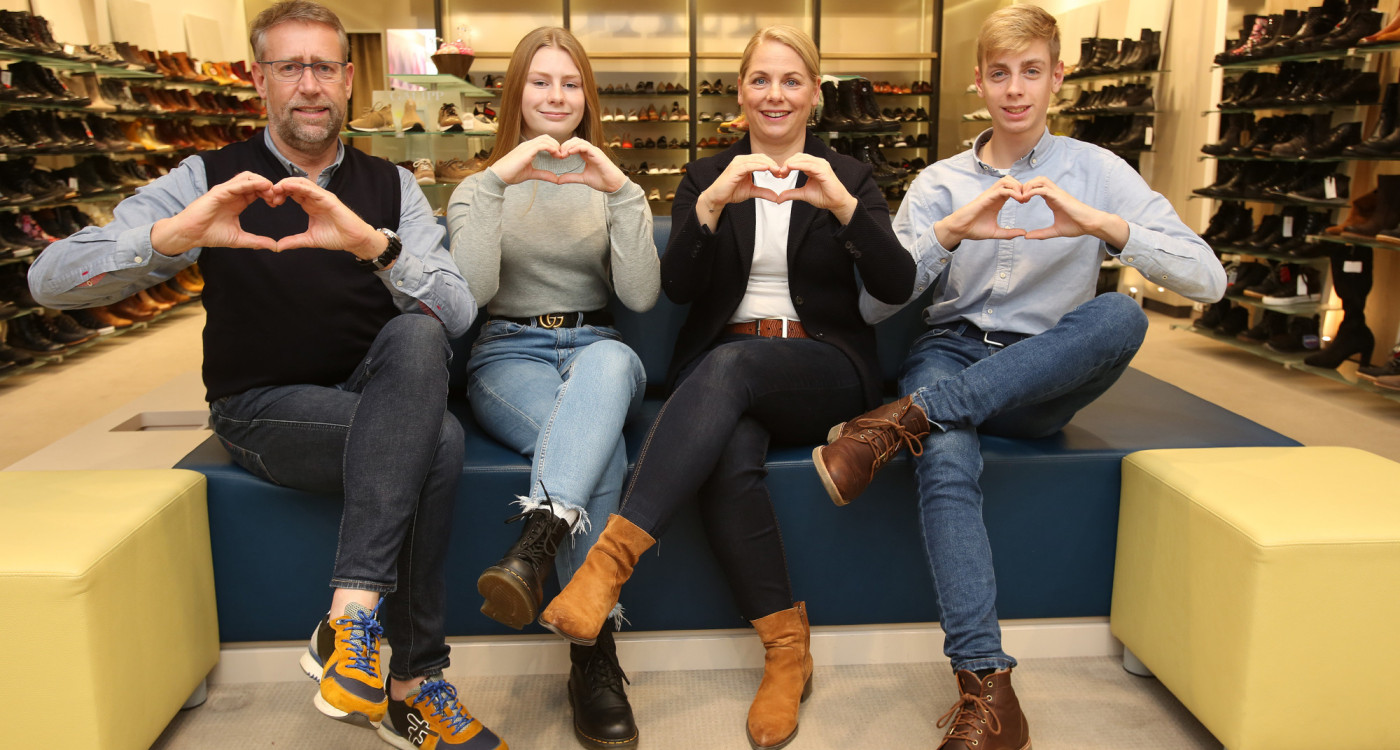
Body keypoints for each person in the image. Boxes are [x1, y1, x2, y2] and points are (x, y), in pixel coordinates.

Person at [26, 2, 506, 748]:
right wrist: (171, 236)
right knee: (436, 441)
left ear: (347, 79)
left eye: (324, 67)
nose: (309, 85)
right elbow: (48, 281)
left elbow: (456, 311)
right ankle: (413, 686)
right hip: (262, 406)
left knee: (417, 333)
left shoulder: (391, 186)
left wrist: (375, 248)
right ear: (260, 80)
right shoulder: (206, 176)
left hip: (374, 390)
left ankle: (349, 621)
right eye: (290, 67)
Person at [811, 7, 1226, 749]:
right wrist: (947, 234)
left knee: (1120, 315)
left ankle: (906, 418)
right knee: (944, 456)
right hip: (951, 352)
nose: (1014, 89)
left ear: (1056, 77)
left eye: (1030, 72)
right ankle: (988, 691)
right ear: (979, 81)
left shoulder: (1099, 171)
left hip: (1042, 373)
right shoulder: (939, 182)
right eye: (999, 73)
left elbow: (1209, 280)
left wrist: (1102, 225)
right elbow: (875, 304)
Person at [537, 25, 915, 750]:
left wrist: (842, 205)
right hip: (726, 377)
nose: (775, 95)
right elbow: (677, 288)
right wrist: (709, 205)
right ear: (740, 92)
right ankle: (786, 649)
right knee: (729, 454)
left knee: (730, 367)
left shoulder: (850, 175)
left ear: (815, 93)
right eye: (760, 80)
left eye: (791, 81)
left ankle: (606, 569)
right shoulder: (707, 172)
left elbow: (896, 284)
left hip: (823, 367)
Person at [446, 26, 658, 750]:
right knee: (596, 449)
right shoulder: (478, 187)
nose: (557, 96)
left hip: (598, 346)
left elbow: (640, 295)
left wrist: (620, 191)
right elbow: (472, 293)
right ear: (516, 92)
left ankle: (534, 550)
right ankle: (592, 653)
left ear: (587, 96)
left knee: (609, 367)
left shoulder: (613, 186)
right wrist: (496, 182)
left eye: (571, 84)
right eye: (541, 82)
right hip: (509, 352)